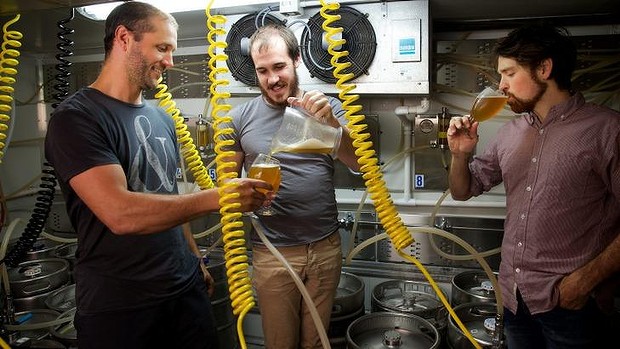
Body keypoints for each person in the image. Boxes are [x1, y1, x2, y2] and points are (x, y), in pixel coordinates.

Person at [43, 2, 271, 349]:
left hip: (183, 290)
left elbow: (169, 198)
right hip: (121, 305)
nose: (170, 62)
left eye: (172, 50)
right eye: (162, 48)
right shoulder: (77, 119)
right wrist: (218, 197)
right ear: (124, 38)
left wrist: (194, 260)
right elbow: (119, 213)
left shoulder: (162, 118)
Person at [447, 23, 620, 348]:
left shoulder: (606, 130)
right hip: (513, 298)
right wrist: (460, 155)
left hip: (572, 305)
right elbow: (463, 190)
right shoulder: (510, 133)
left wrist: (585, 282)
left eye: (509, 73)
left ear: (544, 68)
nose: (501, 85)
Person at [219, 24, 360, 349]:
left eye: (279, 66)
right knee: (280, 344)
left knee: (316, 343)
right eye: (263, 70)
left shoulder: (328, 107)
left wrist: (331, 124)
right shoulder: (239, 118)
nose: (272, 79)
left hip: (324, 249)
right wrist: (245, 192)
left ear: (296, 60)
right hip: (272, 253)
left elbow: (359, 162)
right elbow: (227, 189)